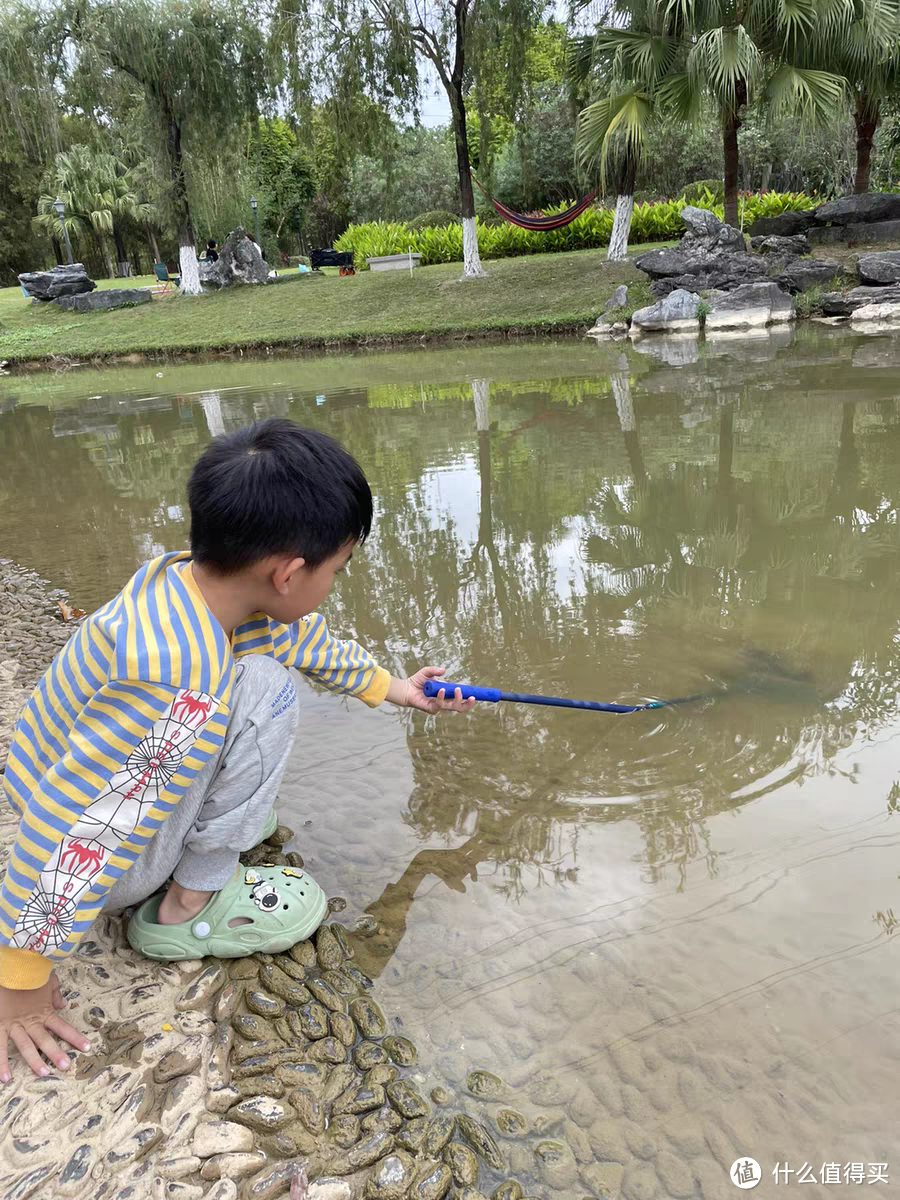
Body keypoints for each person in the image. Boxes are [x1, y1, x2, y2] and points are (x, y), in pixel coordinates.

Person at [0, 419, 473, 1080]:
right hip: (109, 862)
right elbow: (78, 823)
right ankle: (186, 906)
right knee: (271, 696)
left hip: (61, 779)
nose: (333, 585)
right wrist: (21, 976)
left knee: (263, 673)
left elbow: (302, 641)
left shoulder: (189, 589)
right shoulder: (170, 684)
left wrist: (397, 689)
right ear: (289, 573)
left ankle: (194, 854)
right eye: (336, 571)